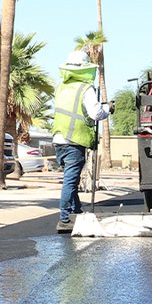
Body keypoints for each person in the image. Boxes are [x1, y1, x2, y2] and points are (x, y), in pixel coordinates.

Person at [51, 49, 113, 233]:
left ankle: (76, 211)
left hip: (59, 139)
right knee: (70, 180)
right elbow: (96, 113)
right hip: (74, 140)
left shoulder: (61, 87)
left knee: (73, 177)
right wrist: (108, 108)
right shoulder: (86, 89)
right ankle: (64, 218)